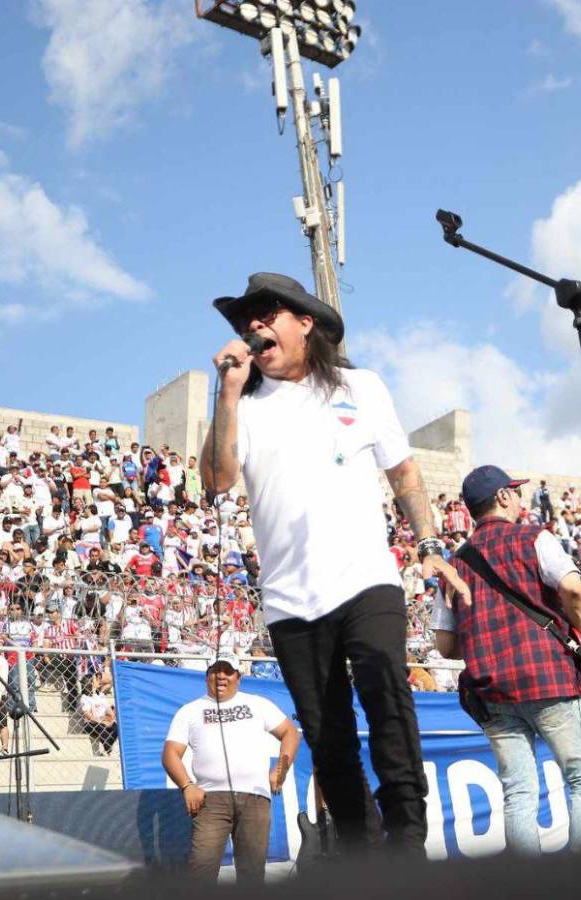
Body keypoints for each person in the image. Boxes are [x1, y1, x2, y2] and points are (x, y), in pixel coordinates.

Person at [201, 272, 469, 857]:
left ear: (305, 322)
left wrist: (429, 544)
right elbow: (217, 481)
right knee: (328, 735)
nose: (254, 326)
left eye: (267, 313)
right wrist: (226, 392)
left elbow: (404, 472)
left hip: (366, 578)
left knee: (387, 694)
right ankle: (363, 855)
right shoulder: (244, 406)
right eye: (247, 320)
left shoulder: (360, 386)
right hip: (290, 600)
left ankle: (408, 842)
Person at [433, 465, 581, 855]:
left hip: (491, 690)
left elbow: (445, 645)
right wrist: (578, 633)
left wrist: (481, 638)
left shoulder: (453, 564)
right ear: (503, 497)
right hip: (548, 678)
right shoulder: (534, 537)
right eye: (514, 491)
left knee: (518, 792)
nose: (518, 498)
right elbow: (573, 589)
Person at [161, 656, 299, 885]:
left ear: (239, 677)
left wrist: (281, 770)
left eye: (228, 671)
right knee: (200, 872)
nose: (221, 676)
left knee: (252, 875)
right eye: (216, 671)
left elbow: (290, 733)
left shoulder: (258, 704)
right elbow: (170, 754)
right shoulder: (189, 711)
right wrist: (187, 785)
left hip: (255, 798)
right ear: (207, 676)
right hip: (210, 801)